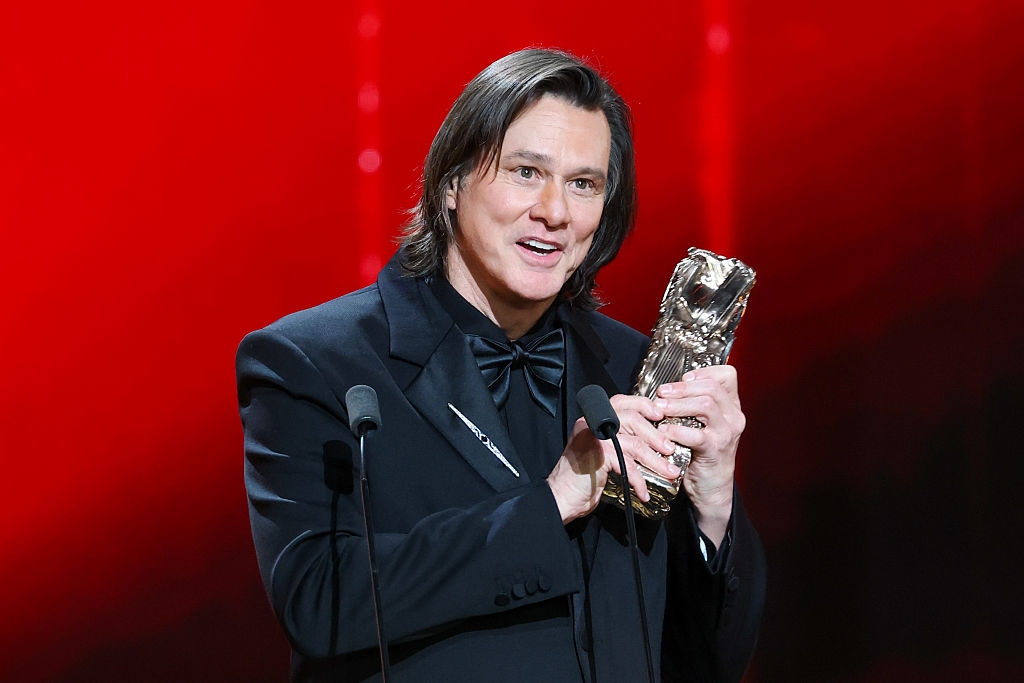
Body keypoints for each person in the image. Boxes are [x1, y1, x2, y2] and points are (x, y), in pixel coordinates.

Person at [236, 48, 765, 682]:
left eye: (584, 184)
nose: (555, 212)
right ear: (451, 183)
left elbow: (710, 660)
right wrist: (551, 502)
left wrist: (713, 502)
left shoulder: (635, 369)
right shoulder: (316, 361)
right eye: (526, 172)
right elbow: (321, 603)